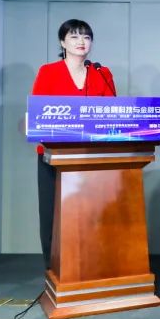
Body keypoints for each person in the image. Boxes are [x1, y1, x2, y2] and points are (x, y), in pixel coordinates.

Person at [31, 19, 117, 269]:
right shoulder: (48, 72)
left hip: (94, 156)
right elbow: (39, 113)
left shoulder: (102, 73)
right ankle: (54, 269)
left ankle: (91, 267)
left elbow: (112, 113)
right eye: (74, 37)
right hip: (55, 156)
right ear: (63, 42)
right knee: (53, 214)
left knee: (92, 214)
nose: (81, 42)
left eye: (86, 37)